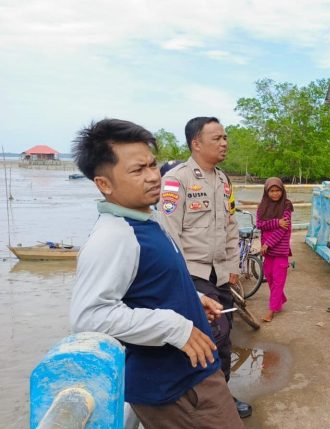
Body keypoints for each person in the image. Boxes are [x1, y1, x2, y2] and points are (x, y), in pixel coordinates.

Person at [69, 118, 243, 428]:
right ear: (104, 184)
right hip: (175, 389)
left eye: (152, 165)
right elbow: (89, 316)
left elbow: (154, 283)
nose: (153, 177)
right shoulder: (114, 236)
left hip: (192, 372)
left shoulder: (147, 220)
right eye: (138, 170)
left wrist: (194, 298)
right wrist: (174, 326)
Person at [157, 116, 254, 418]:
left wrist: (232, 265)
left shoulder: (224, 181)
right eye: (217, 138)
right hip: (192, 274)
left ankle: (220, 395)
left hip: (220, 274)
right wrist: (179, 281)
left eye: (225, 137)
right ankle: (199, 400)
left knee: (225, 334)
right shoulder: (176, 180)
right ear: (196, 143)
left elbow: (230, 225)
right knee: (208, 335)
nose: (224, 143)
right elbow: (169, 234)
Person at [256, 177, 294, 322]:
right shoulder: (262, 206)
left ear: (282, 190)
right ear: (266, 192)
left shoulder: (286, 205)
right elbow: (260, 224)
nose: (275, 194)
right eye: (271, 191)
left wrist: (268, 243)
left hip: (280, 249)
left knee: (278, 280)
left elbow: (283, 230)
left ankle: (272, 310)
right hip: (268, 250)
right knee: (269, 276)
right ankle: (280, 299)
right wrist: (276, 222)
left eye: (278, 190)